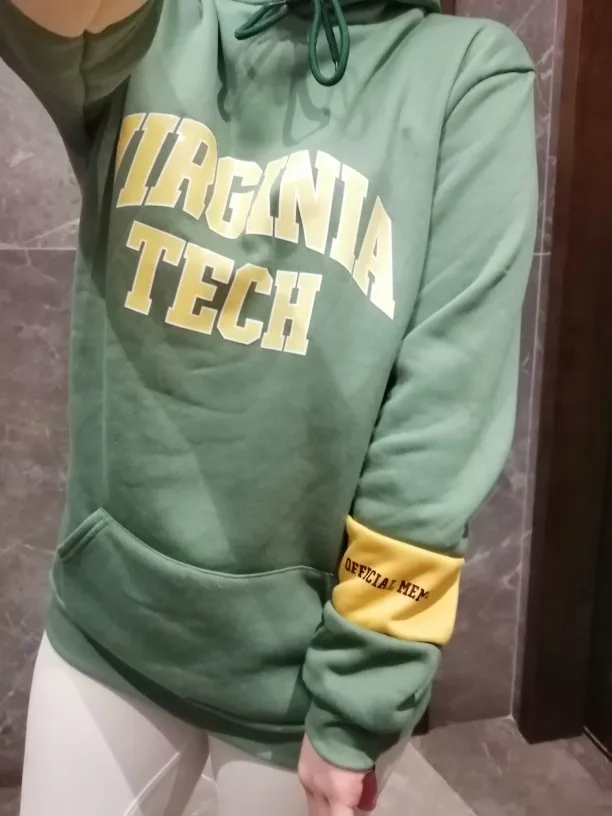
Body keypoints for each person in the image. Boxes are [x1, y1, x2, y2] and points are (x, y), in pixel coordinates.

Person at [0, 0, 537, 814]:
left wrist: (359, 695)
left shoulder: (468, 76)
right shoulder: (161, 22)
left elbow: (440, 422)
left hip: (302, 678)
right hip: (110, 625)